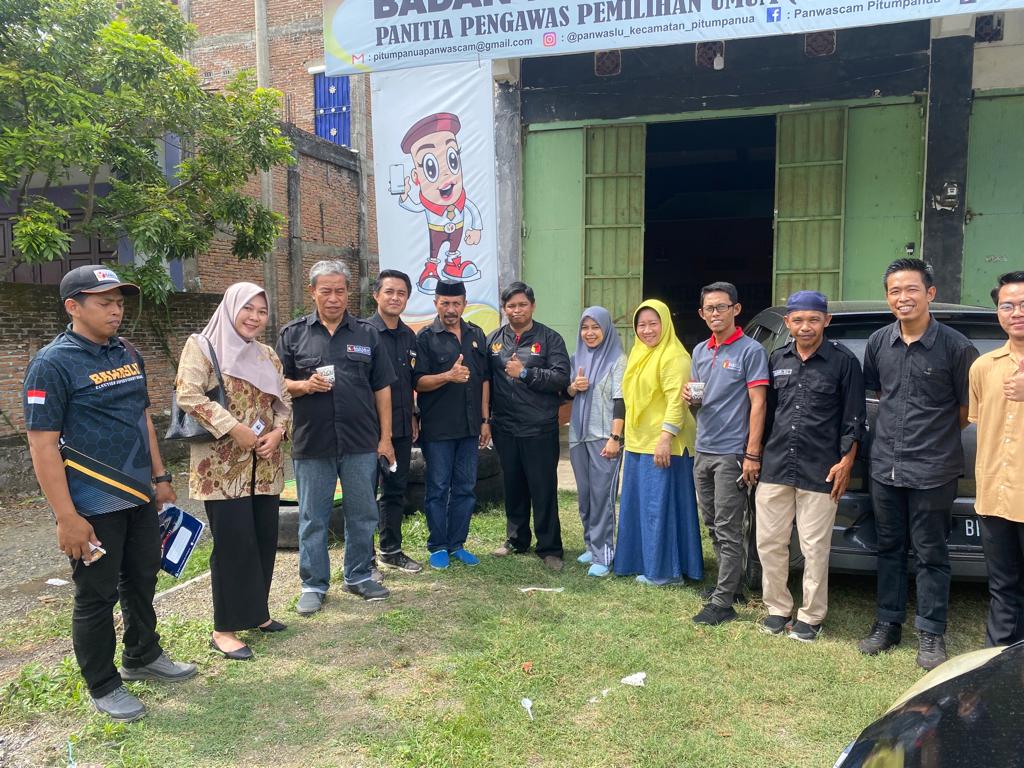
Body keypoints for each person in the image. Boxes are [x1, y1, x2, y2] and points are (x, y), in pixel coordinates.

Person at [23, 265, 197, 722]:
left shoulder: (127, 352)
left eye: (119, 302)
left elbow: (143, 419)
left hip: (138, 496)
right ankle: (103, 683)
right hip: (92, 503)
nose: (116, 310)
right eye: (104, 302)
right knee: (97, 595)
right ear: (73, 307)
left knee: (142, 578)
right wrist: (67, 517)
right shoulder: (52, 364)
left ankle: (142, 655)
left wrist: (160, 478)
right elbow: (42, 445)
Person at [857, 259, 978, 670]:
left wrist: (932, 436)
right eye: (894, 291)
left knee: (931, 552)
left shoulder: (957, 347)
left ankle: (931, 632)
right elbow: (879, 395)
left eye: (911, 289)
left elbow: (965, 410)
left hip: (933, 468)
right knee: (889, 547)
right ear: (887, 297)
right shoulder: (879, 342)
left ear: (930, 293)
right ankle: (887, 623)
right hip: (885, 464)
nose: (902, 297)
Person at [175, 282, 292, 661]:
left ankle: (257, 613)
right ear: (230, 308)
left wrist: (279, 432)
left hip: (265, 465)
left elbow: (284, 400)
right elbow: (188, 394)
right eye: (248, 309)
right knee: (232, 545)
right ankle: (224, 629)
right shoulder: (203, 347)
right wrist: (233, 427)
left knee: (262, 540)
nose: (255, 318)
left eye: (262, 311)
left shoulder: (267, 354)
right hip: (222, 469)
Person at [276, 261, 396, 611]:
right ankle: (313, 584)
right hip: (313, 442)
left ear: (348, 293)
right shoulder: (292, 334)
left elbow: (383, 389)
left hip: (360, 441)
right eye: (326, 291)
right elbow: (275, 384)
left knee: (363, 513)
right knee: (313, 517)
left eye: (340, 291)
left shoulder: (366, 334)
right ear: (312, 292)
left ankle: (358, 575)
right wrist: (303, 385)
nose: (333, 298)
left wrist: (385, 438)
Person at [755, 291, 865, 642]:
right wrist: (754, 455)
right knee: (769, 542)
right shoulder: (777, 359)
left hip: (821, 469)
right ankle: (777, 608)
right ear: (788, 322)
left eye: (814, 320)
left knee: (815, 548)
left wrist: (847, 461)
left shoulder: (844, 362)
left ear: (826, 321)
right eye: (799, 320)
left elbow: (854, 418)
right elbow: (766, 414)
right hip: (775, 465)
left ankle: (811, 615)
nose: (806, 327)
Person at [684, 281, 769, 626]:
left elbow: (758, 403)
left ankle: (723, 603)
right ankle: (729, 585)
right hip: (704, 447)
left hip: (732, 452)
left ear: (736, 309)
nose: (715, 313)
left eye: (722, 307)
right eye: (709, 308)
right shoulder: (700, 351)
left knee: (728, 526)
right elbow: (700, 400)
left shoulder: (751, 351)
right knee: (711, 523)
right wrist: (690, 400)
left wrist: (752, 454)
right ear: (701, 313)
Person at [614, 300, 704, 586]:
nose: (647, 330)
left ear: (665, 324)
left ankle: (666, 571)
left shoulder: (674, 356)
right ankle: (642, 562)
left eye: (653, 323)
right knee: (641, 506)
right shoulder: (639, 353)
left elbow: (678, 402)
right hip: (639, 442)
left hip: (665, 445)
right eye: (641, 325)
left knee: (659, 508)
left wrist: (665, 438)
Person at [487, 282, 571, 571]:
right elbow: (486, 381)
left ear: (532, 306)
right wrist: (486, 420)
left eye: (522, 304)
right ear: (504, 308)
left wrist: (524, 373)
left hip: (539, 428)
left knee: (543, 488)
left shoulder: (550, 339)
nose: (517, 310)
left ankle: (550, 548)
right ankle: (516, 539)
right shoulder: (494, 340)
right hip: (505, 427)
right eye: (511, 306)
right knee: (513, 486)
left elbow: (560, 378)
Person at [414, 280, 491, 568]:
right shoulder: (425, 337)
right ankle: (437, 546)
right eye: (445, 303)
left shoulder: (476, 334)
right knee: (437, 488)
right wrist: (448, 376)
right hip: (439, 429)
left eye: (456, 303)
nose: (450, 309)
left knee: (465, 488)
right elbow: (418, 382)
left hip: (470, 428)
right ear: (436, 303)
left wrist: (485, 420)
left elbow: (484, 380)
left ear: (464, 304)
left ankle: (457, 543)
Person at [968, 271, 1024, 647]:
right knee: (1003, 587)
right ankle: (997, 660)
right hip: (995, 497)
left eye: (1023, 304)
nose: (1016, 312)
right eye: (1008, 305)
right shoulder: (984, 366)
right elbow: (979, 423)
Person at [366, 269, 423, 574]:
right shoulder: (363, 333)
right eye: (389, 291)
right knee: (364, 494)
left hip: (401, 427)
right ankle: (364, 560)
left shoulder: (408, 336)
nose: (395, 298)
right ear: (376, 295)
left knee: (395, 490)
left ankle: (391, 550)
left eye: (401, 293)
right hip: (368, 431)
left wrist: (412, 414)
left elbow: (409, 381)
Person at [567, 307, 627, 577]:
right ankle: (592, 546)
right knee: (586, 495)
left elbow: (620, 401)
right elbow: (567, 393)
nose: (589, 333)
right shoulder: (576, 357)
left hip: (605, 438)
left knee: (603, 497)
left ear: (606, 329)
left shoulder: (618, 360)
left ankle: (605, 554)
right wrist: (573, 387)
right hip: (578, 436)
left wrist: (615, 438)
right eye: (585, 327)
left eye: (595, 327)